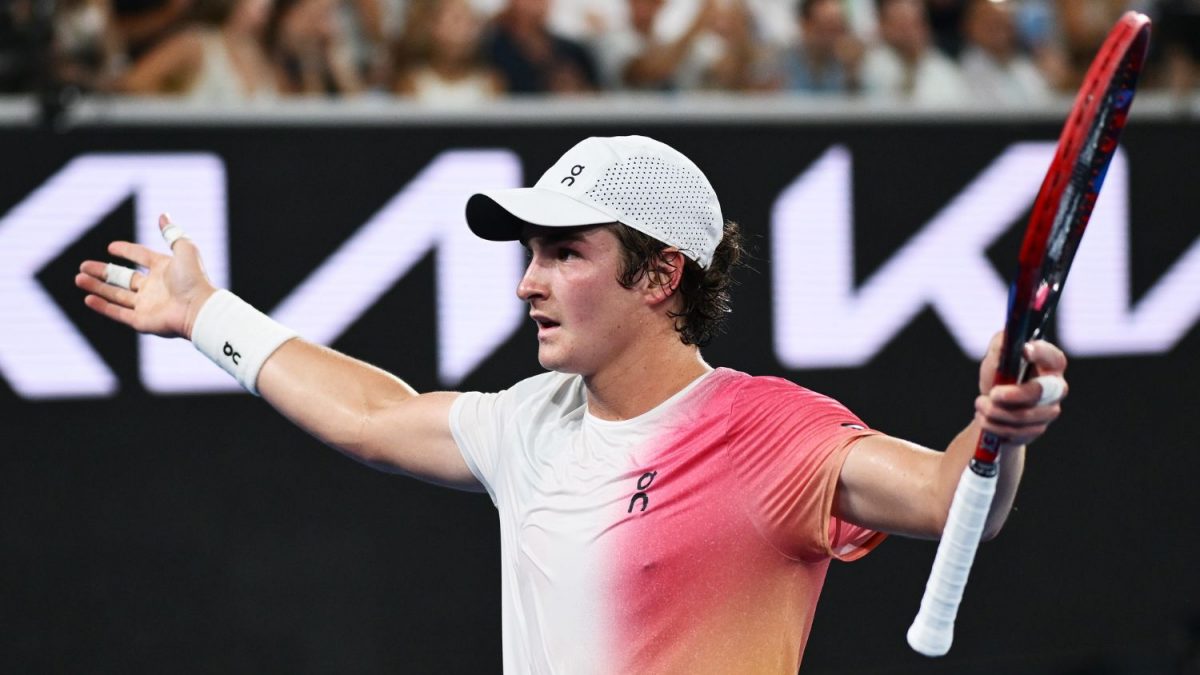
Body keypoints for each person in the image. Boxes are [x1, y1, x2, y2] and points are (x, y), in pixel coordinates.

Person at [73, 135, 1068, 672]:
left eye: (564, 253)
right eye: (528, 255)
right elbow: (370, 416)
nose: (528, 284)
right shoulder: (530, 423)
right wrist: (207, 314)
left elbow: (949, 500)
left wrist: (999, 426)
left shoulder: (772, 432)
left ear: (658, 275)